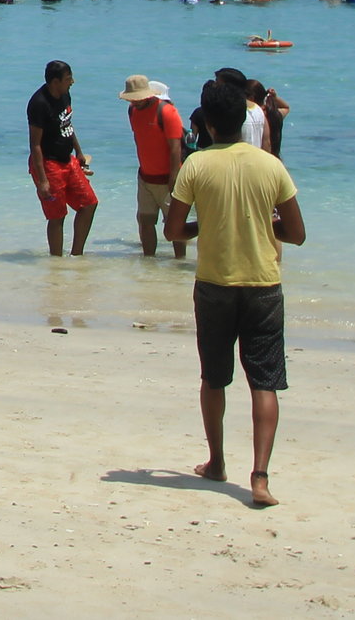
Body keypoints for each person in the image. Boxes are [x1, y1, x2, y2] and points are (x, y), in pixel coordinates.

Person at [166, 79, 305, 508]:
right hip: (263, 284)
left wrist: (202, 227)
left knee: (214, 377)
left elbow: (172, 231)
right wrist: (266, 226)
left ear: (207, 124)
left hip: (215, 285)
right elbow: (296, 234)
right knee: (265, 383)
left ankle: (217, 462)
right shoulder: (270, 166)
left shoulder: (196, 166)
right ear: (245, 119)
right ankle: (260, 478)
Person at [27, 59, 97, 256]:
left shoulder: (65, 94)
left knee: (89, 204)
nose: (72, 81)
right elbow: (35, 145)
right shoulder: (39, 104)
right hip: (48, 164)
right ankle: (56, 262)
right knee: (57, 216)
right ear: (55, 82)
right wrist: (42, 180)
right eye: (68, 79)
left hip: (67, 160)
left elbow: (67, 124)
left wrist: (79, 152)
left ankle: (76, 255)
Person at [120, 75, 186, 258]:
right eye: (132, 99)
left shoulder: (166, 112)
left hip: (168, 179)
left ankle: (179, 263)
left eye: (137, 98)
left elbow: (175, 148)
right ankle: (148, 263)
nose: (135, 102)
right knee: (145, 221)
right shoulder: (132, 111)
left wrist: (174, 178)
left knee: (175, 225)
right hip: (145, 176)